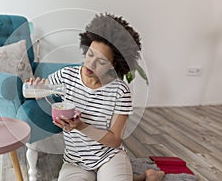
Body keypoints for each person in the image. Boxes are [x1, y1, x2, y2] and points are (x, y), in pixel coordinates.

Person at [29, 13, 164, 181]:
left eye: (101, 62)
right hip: (75, 161)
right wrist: (36, 86)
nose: (90, 64)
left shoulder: (120, 91)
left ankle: (147, 177)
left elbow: (115, 140)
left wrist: (81, 126)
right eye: (90, 54)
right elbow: (39, 91)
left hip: (108, 157)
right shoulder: (66, 76)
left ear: (113, 65)